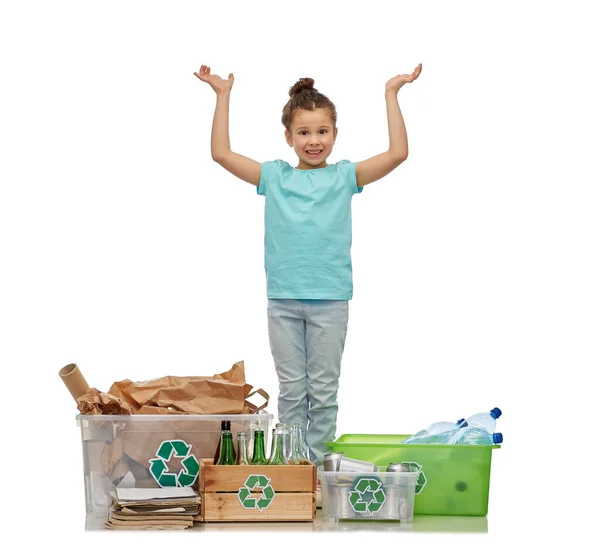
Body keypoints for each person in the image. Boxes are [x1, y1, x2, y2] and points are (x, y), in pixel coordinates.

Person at [195, 63, 422, 465]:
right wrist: (222, 95)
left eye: (322, 131)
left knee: (323, 391)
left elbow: (398, 154)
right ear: (288, 137)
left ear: (335, 134)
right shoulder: (275, 177)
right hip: (283, 300)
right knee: (291, 392)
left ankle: (317, 470)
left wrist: (392, 93)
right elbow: (221, 154)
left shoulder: (345, 176)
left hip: (330, 300)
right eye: (304, 132)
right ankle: (293, 468)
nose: (313, 141)